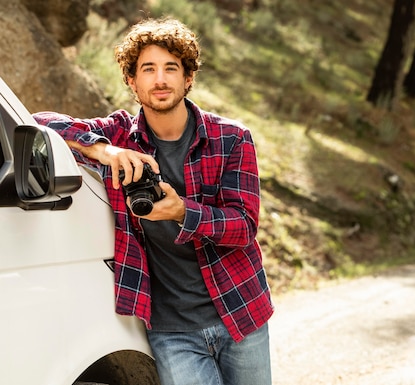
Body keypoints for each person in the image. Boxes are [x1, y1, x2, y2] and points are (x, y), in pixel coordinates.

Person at [34, 17, 273, 385]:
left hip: (239, 311)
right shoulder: (117, 135)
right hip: (170, 329)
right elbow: (39, 124)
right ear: (132, 81)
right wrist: (104, 151)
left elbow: (244, 227)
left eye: (171, 69)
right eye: (148, 69)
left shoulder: (231, 138)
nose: (160, 80)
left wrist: (182, 211)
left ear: (188, 77)